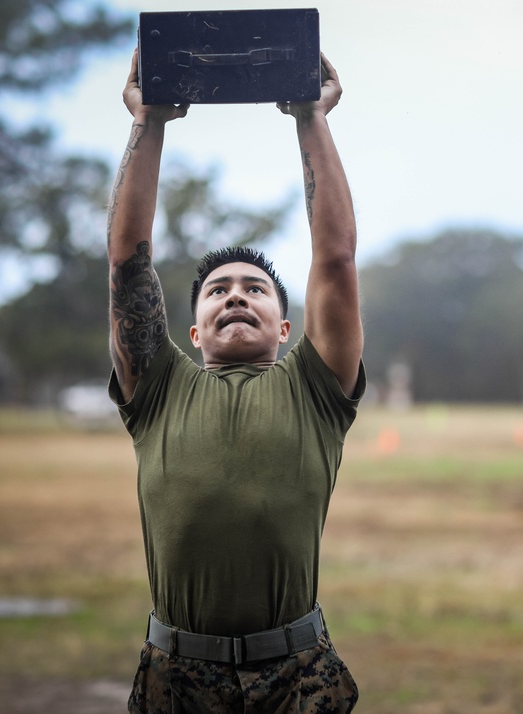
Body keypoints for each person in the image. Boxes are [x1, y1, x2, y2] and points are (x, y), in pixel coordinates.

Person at [107, 47, 364, 713]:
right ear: (191, 333)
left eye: (256, 288)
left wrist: (311, 117)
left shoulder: (314, 388)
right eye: (217, 290)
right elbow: (127, 263)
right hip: (177, 681)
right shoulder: (159, 389)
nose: (236, 296)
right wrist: (149, 122)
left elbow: (334, 259)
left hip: (298, 677)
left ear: (287, 328)